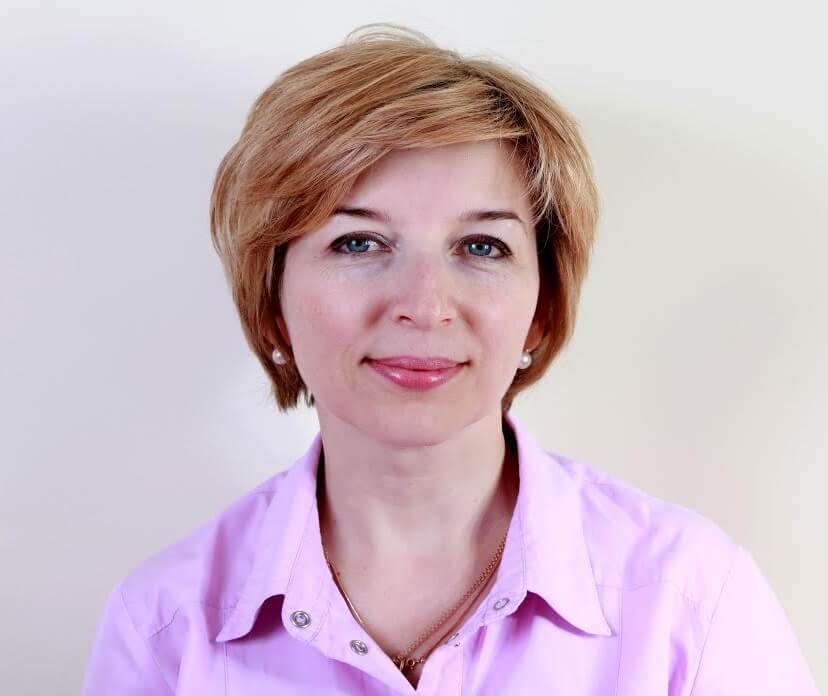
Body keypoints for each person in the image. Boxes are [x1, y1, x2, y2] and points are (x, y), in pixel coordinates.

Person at [81, 23, 819, 695]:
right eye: (358, 242)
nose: (425, 304)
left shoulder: (691, 600)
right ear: (272, 299)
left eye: (481, 246)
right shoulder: (163, 628)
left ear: (543, 309)